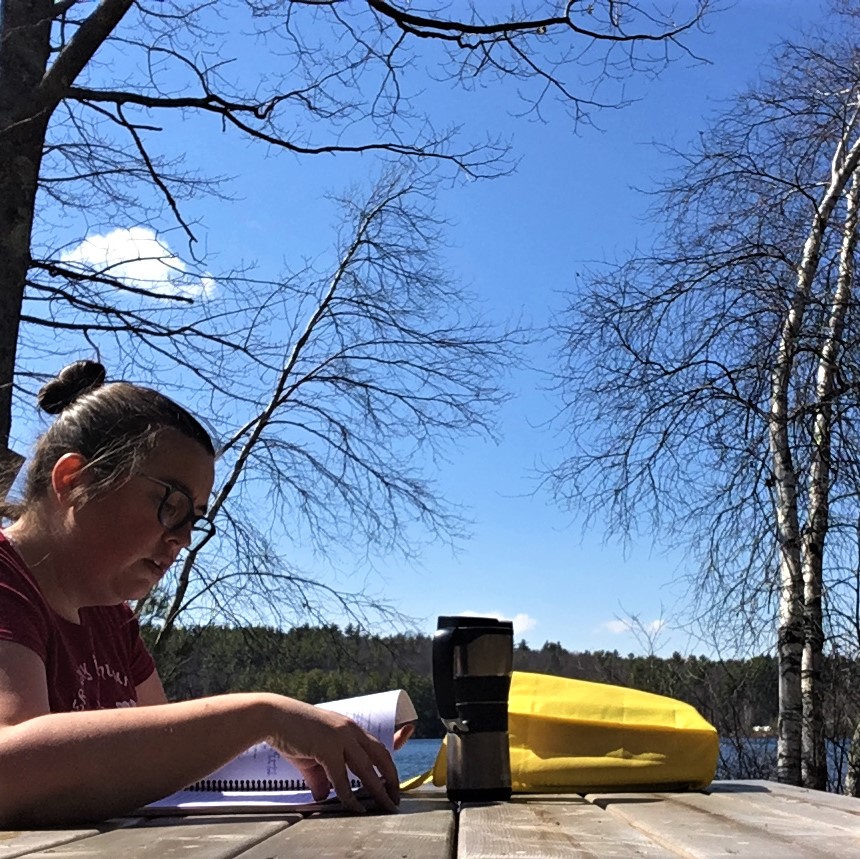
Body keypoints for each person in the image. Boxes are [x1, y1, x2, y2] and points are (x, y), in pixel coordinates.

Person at [0, 360, 400, 826]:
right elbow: (10, 773)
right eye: (171, 504)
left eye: (195, 517)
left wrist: (336, 743)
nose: (184, 538)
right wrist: (260, 716)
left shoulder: (111, 617)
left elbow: (161, 753)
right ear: (75, 480)